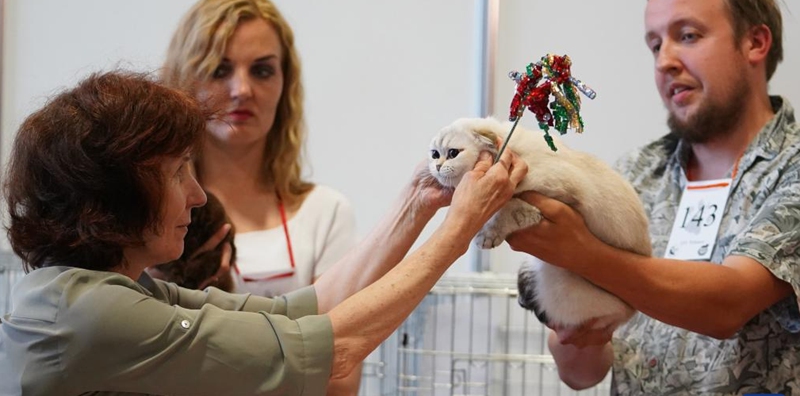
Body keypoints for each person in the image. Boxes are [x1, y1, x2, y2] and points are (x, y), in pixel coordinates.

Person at [0, 71, 526, 396]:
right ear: (117, 192)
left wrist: (418, 201)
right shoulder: (90, 314)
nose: (199, 195)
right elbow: (336, 347)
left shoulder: (111, 289)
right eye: (178, 171)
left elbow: (307, 312)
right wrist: (459, 230)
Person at [506, 0, 800, 395]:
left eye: (688, 36)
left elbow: (728, 305)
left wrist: (583, 254)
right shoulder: (632, 174)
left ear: (755, 43)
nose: (665, 61)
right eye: (654, 45)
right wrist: (578, 327)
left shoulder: (791, 167)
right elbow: (580, 373)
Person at [160, 0, 364, 394]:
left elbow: (340, 377)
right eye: (220, 69)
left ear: (285, 83)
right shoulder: (148, 210)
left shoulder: (326, 213)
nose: (242, 90)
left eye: (262, 70)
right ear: (184, 81)